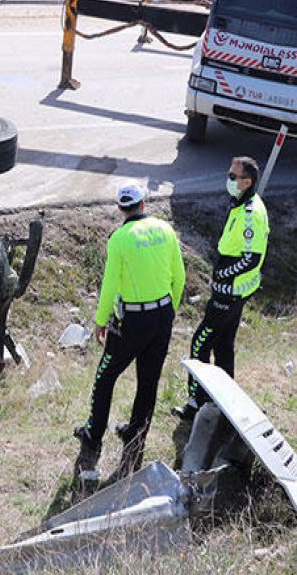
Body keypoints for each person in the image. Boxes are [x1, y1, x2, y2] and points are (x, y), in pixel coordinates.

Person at [73, 183, 186, 485]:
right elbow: (179, 276)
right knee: (148, 382)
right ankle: (135, 440)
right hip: (162, 316)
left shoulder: (119, 239)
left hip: (132, 322)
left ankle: (93, 437)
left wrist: (100, 320)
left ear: (120, 208)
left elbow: (110, 284)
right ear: (144, 204)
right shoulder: (165, 230)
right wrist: (169, 312)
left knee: (105, 377)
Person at [173, 156, 270, 421]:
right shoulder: (242, 203)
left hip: (231, 292)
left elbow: (251, 258)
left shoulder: (251, 213)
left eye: (232, 176)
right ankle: (225, 404)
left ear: (247, 182)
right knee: (224, 345)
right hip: (235, 290)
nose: (228, 180)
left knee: (200, 343)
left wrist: (222, 277)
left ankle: (196, 403)